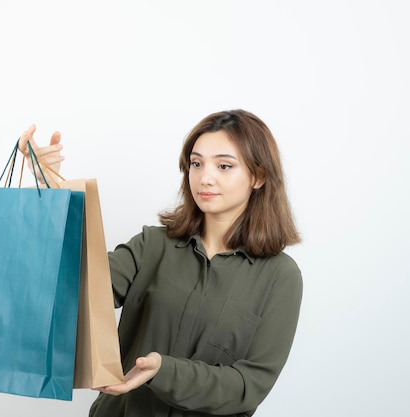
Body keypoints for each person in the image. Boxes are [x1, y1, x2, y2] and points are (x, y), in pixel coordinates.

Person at [18, 109, 302, 417]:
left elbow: (249, 386)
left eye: (224, 165)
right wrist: (54, 192)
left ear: (258, 176)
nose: (205, 177)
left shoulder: (280, 276)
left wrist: (163, 371)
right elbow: (75, 290)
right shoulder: (153, 244)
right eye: (196, 163)